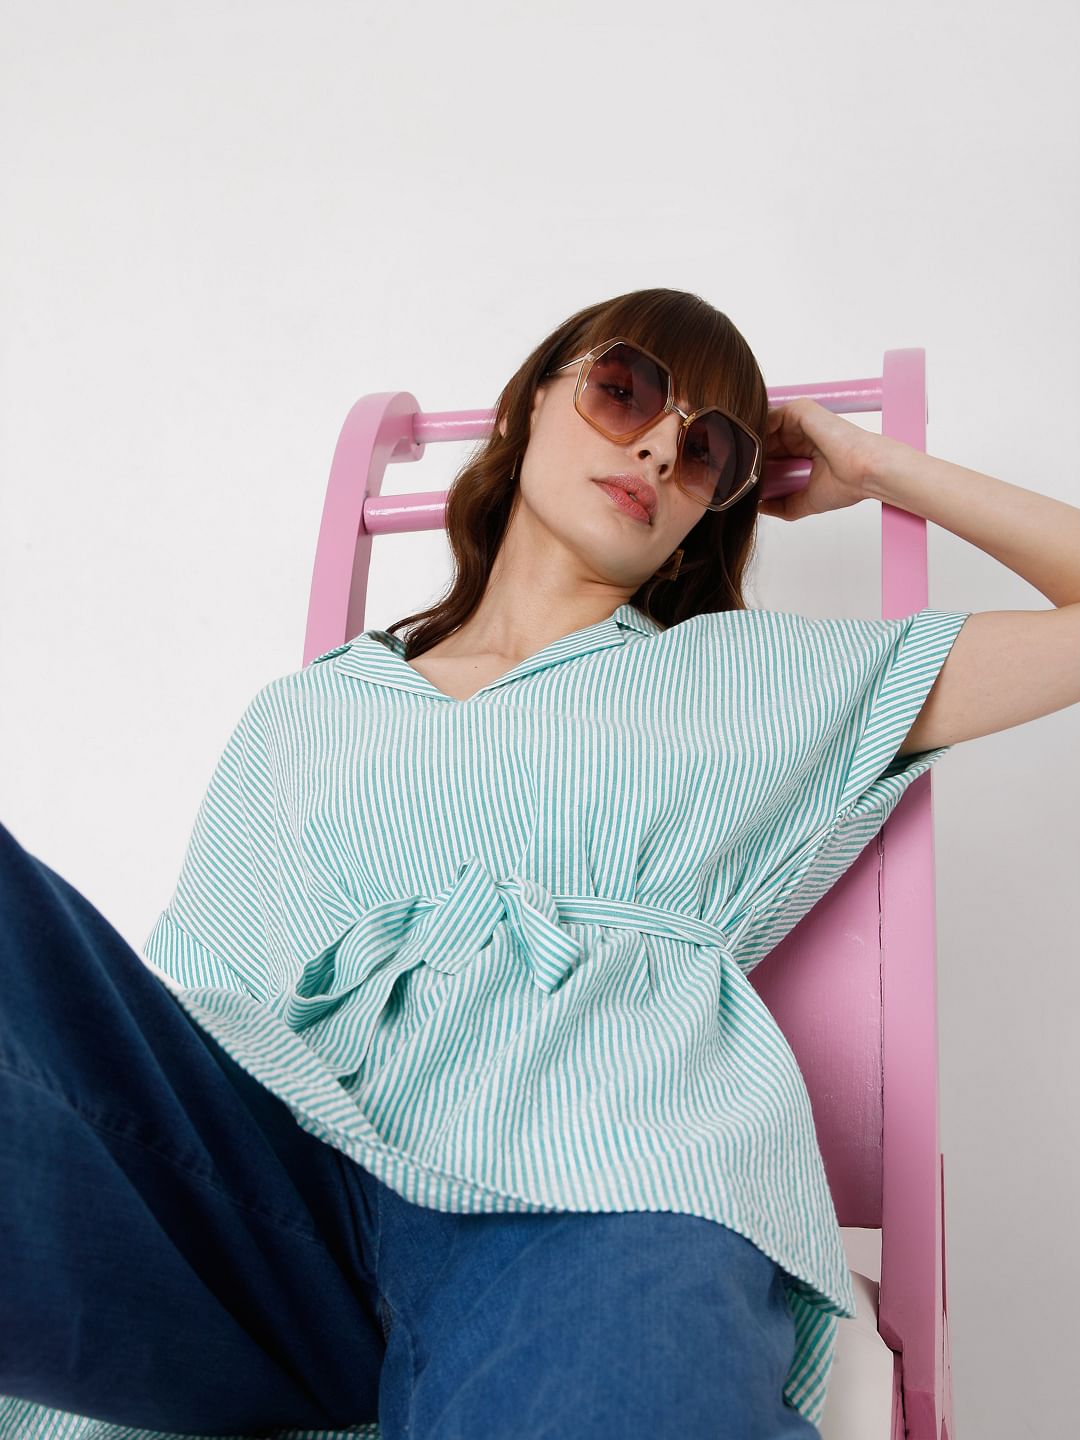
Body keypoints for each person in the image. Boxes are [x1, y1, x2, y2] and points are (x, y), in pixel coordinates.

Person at [3, 287, 1078, 1440]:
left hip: (592, 1178)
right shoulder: (300, 716)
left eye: (713, 448)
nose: (664, 444)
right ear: (525, 407)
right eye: (627, 391)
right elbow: (178, 1031)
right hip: (281, 1193)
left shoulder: (752, 675)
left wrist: (874, 467)